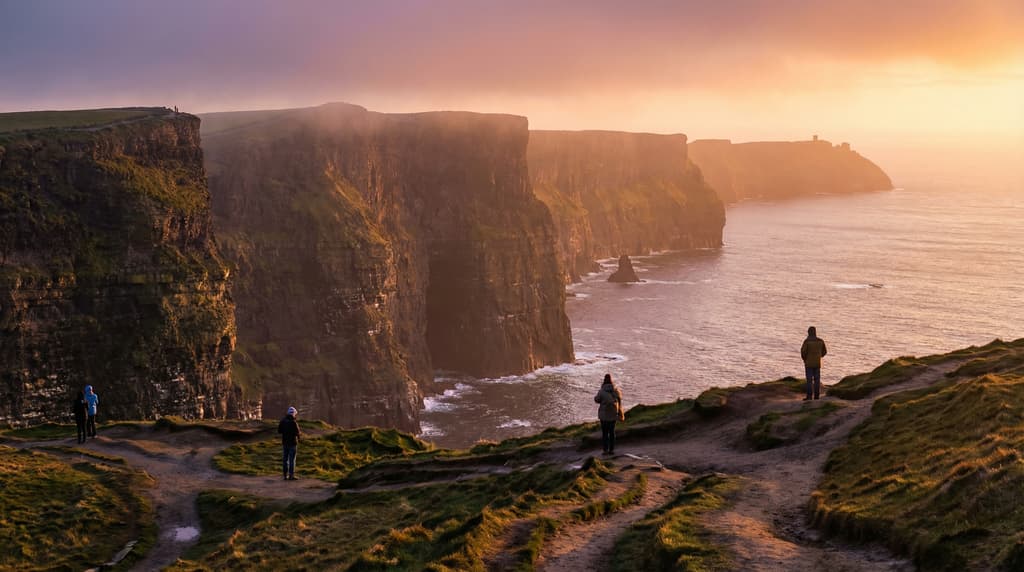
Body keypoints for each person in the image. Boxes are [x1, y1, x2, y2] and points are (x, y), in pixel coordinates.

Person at [594, 374, 624, 455]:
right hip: (613, 414)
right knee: (611, 432)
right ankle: (611, 450)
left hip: (603, 416)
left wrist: (598, 398)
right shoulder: (616, 390)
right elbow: (619, 399)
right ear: (611, 380)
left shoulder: (601, 391)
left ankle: (605, 450)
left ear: (604, 380)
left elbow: (597, 400)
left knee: (604, 433)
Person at [801, 326, 828, 400]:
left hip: (809, 363)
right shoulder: (820, 341)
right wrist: (819, 356)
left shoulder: (807, 341)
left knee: (809, 380)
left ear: (809, 332)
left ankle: (809, 396)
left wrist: (805, 359)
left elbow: (803, 352)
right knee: (817, 380)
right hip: (817, 363)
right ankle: (816, 396)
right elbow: (825, 352)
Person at [278, 406, 301, 480]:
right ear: (294, 414)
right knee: (292, 460)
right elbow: (297, 432)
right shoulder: (294, 422)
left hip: (285, 442)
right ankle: (291, 475)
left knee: (285, 459)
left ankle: (285, 475)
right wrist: (299, 438)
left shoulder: (283, 421)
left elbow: (279, 431)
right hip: (293, 443)